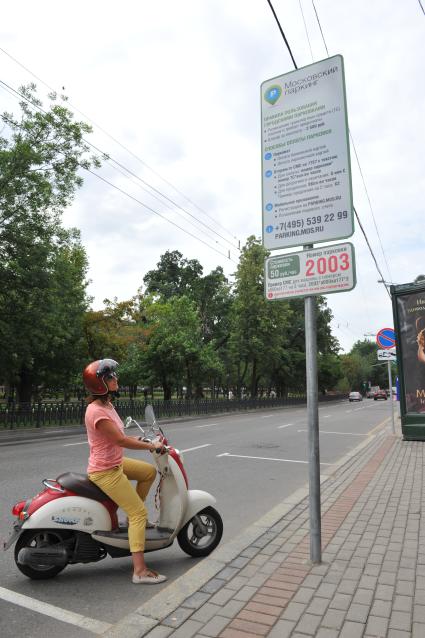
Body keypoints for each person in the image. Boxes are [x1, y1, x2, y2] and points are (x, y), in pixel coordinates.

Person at [82, 358, 167, 585]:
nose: (115, 379)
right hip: (105, 471)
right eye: (110, 377)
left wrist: (141, 438)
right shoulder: (96, 412)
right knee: (139, 513)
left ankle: (132, 522)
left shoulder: (107, 405)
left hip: (115, 462)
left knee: (148, 472)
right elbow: (119, 440)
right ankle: (139, 571)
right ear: (100, 383)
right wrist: (150, 446)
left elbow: (120, 438)